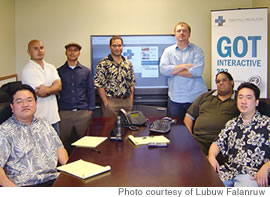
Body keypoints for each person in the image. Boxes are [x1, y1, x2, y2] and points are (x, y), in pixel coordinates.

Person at [0, 84, 68, 187]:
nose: (25, 104)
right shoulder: (4, 131)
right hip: (25, 185)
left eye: (29, 100)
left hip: (53, 179)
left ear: (36, 103)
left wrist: (70, 170)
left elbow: (59, 148)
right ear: (12, 107)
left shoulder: (44, 123)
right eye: (19, 101)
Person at [208, 82, 270, 187]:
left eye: (248, 98)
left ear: (256, 102)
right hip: (229, 171)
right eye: (240, 97)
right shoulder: (231, 124)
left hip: (252, 174)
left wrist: (266, 167)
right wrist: (211, 157)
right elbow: (217, 143)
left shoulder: (267, 123)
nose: (243, 102)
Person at [184, 71, 239, 157]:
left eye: (224, 80)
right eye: (218, 81)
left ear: (231, 82)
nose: (220, 83)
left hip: (223, 143)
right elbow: (188, 117)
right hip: (199, 140)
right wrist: (189, 137)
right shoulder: (205, 96)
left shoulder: (239, 99)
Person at [160, 21, 207, 120]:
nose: (181, 33)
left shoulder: (197, 51)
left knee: (195, 130)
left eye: (184, 31)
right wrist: (185, 66)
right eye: (179, 31)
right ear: (175, 34)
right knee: (175, 130)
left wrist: (173, 70)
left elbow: (197, 72)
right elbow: (163, 70)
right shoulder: (168, 51)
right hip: (176, 99)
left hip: (195, 98)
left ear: (189, 34)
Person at [57, 42, 95, 155]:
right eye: (70, 50)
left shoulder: (86, 71)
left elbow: (90, 90)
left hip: (83, 112)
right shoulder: (59, 71)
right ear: (66, 53)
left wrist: (90, 110)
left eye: (75, 50)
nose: (72, 52)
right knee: (64, 143)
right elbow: (56, 92)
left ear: (79, 53)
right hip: (65, 112)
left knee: (85, 143)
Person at [21, 40, 61, 134]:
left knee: (57, 148)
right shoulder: (28, 70)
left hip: (54, 118)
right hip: (37, 120)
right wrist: (52, 87)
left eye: (41, 48)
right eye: (35, 48)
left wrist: (48, 89)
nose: (39, 51)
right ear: (28, 52)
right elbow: (41, 93)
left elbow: (59, 86)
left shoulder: (51, 67)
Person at [94, 35, 136, 117]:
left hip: (126, 102)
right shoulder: (103, 64)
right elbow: (99, 85)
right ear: (110, 47)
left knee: (127, 128)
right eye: (114, 46)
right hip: (111, 102)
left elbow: (131, 83)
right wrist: (106, 103)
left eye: (119, 45)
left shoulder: (128, 63)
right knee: (110, 128)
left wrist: (130, 101)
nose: (117, 48)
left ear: (122, 46)